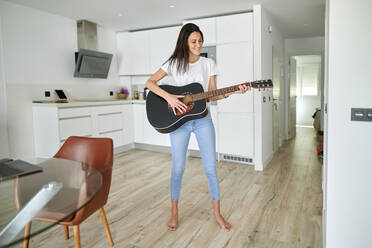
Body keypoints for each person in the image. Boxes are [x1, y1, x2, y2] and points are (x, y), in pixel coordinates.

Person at [146, 23, 250, 232]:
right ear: (185, 42)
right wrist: (170, 98)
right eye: (194, 41)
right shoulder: (174, 63)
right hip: (179, 123)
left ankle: (217, 214)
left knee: (210, 168)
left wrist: (233, 92)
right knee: (178, 169)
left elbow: (212, 93)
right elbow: (150, 83)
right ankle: (174, 214)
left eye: (200, 41)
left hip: (202, 120)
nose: (198, 45)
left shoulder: (208, 63)